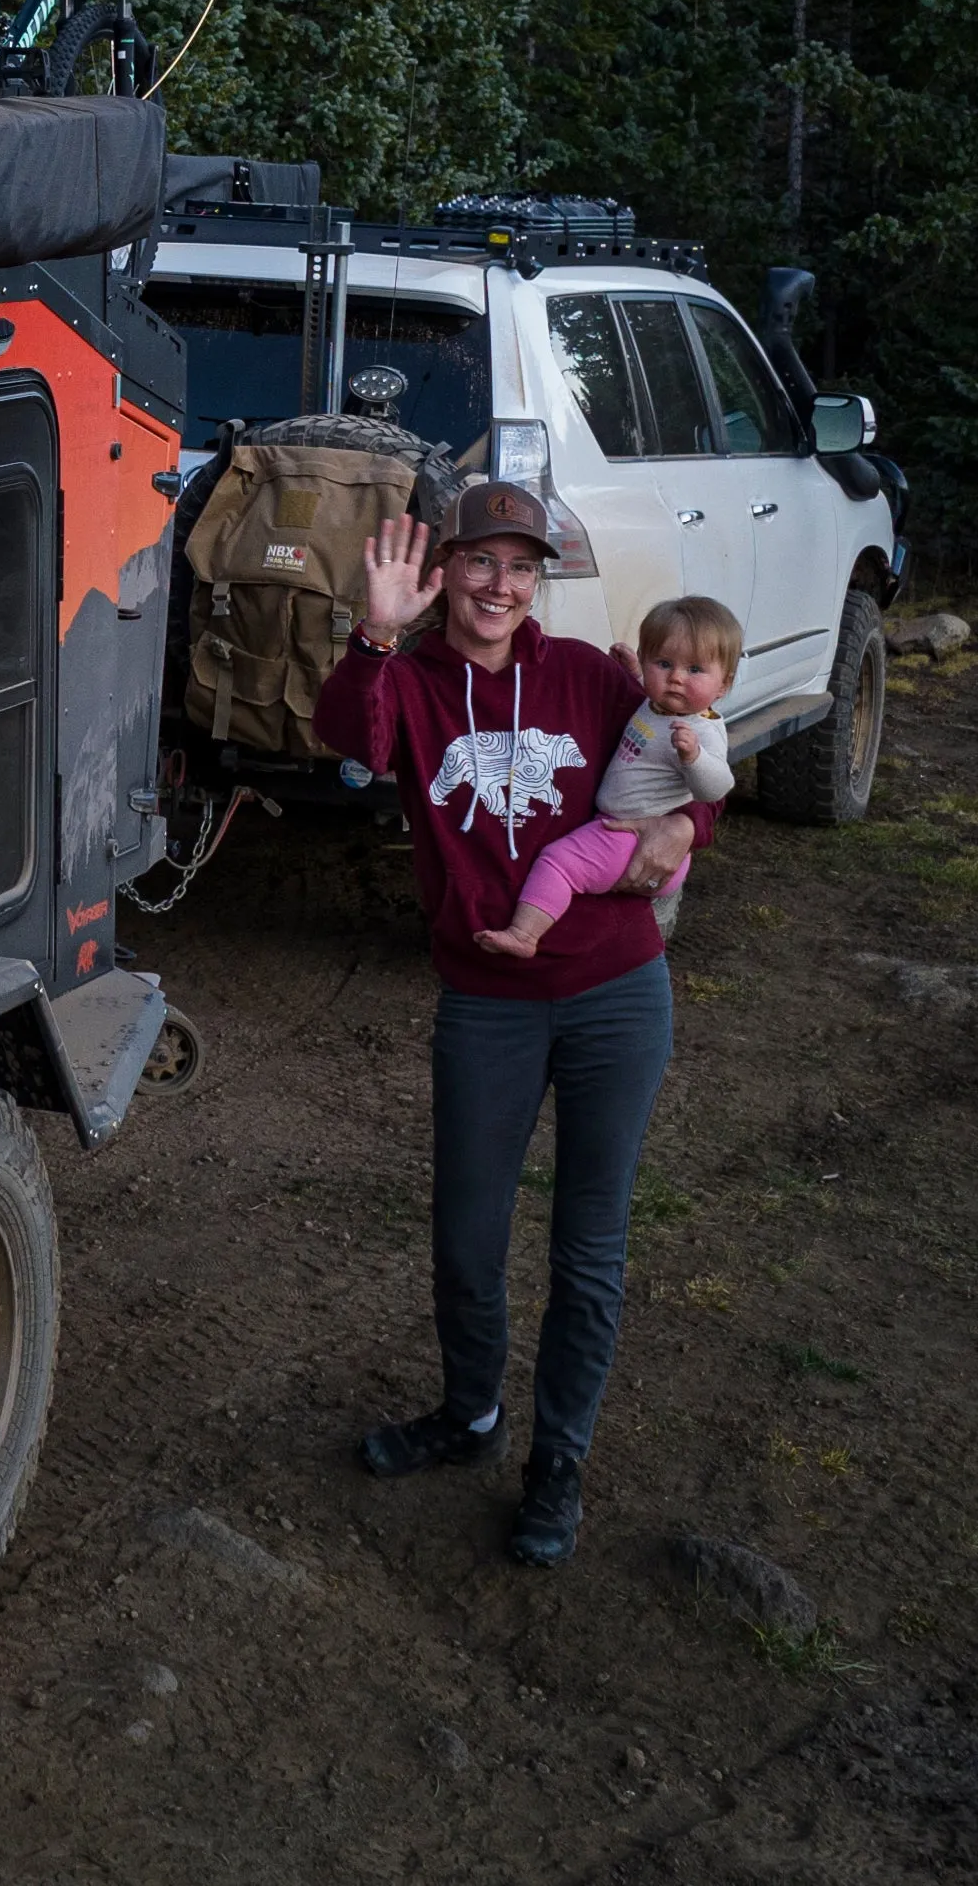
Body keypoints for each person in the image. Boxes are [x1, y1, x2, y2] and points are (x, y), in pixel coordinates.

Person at [309, 481, 713, 1570]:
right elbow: (343, 737)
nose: (499, 584)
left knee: (588, 1245)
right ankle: (471, 1410)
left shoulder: (585, 675)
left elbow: (686, 748)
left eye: (519, 565)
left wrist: (685, 820)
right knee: (465, 1235)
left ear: (539, 578)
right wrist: (373, 631)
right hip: (486, 1000)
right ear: (441, 569)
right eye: (478, 561)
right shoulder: (406, 681)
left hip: (613, 991)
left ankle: (558, 1460)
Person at [474, 596, 738, 962]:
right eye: (664, 663)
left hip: (631, 837)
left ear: (724, 684)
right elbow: (645, 716)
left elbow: (717, 788)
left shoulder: (700, 730)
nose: (676, 677)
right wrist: (636, 676)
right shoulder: (658, 705)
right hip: (623, 830)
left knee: (557, 863)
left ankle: (524, 933)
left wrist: (693, 758)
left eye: (695, 670)